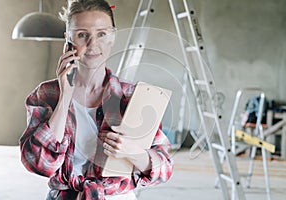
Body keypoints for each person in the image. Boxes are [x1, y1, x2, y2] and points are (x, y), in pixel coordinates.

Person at [19, 0, 173, 199]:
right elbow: (39, 164)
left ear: (113, 37)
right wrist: (65, 96)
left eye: (102, 34)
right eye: (82, 35)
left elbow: (165, 168)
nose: (93, 44)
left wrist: (132, 152)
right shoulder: (46, 94)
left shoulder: (132, 96)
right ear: (68, 39)